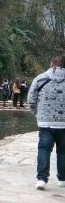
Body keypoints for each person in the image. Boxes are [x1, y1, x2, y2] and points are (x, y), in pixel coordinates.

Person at [27, 54, 65, 190]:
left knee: (44, 149)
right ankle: (62, 179)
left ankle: (42, 179)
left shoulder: (41, 78)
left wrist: (37, 113)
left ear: (51, 64)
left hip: (45, 122)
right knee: (63, 151)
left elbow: (31, 98)